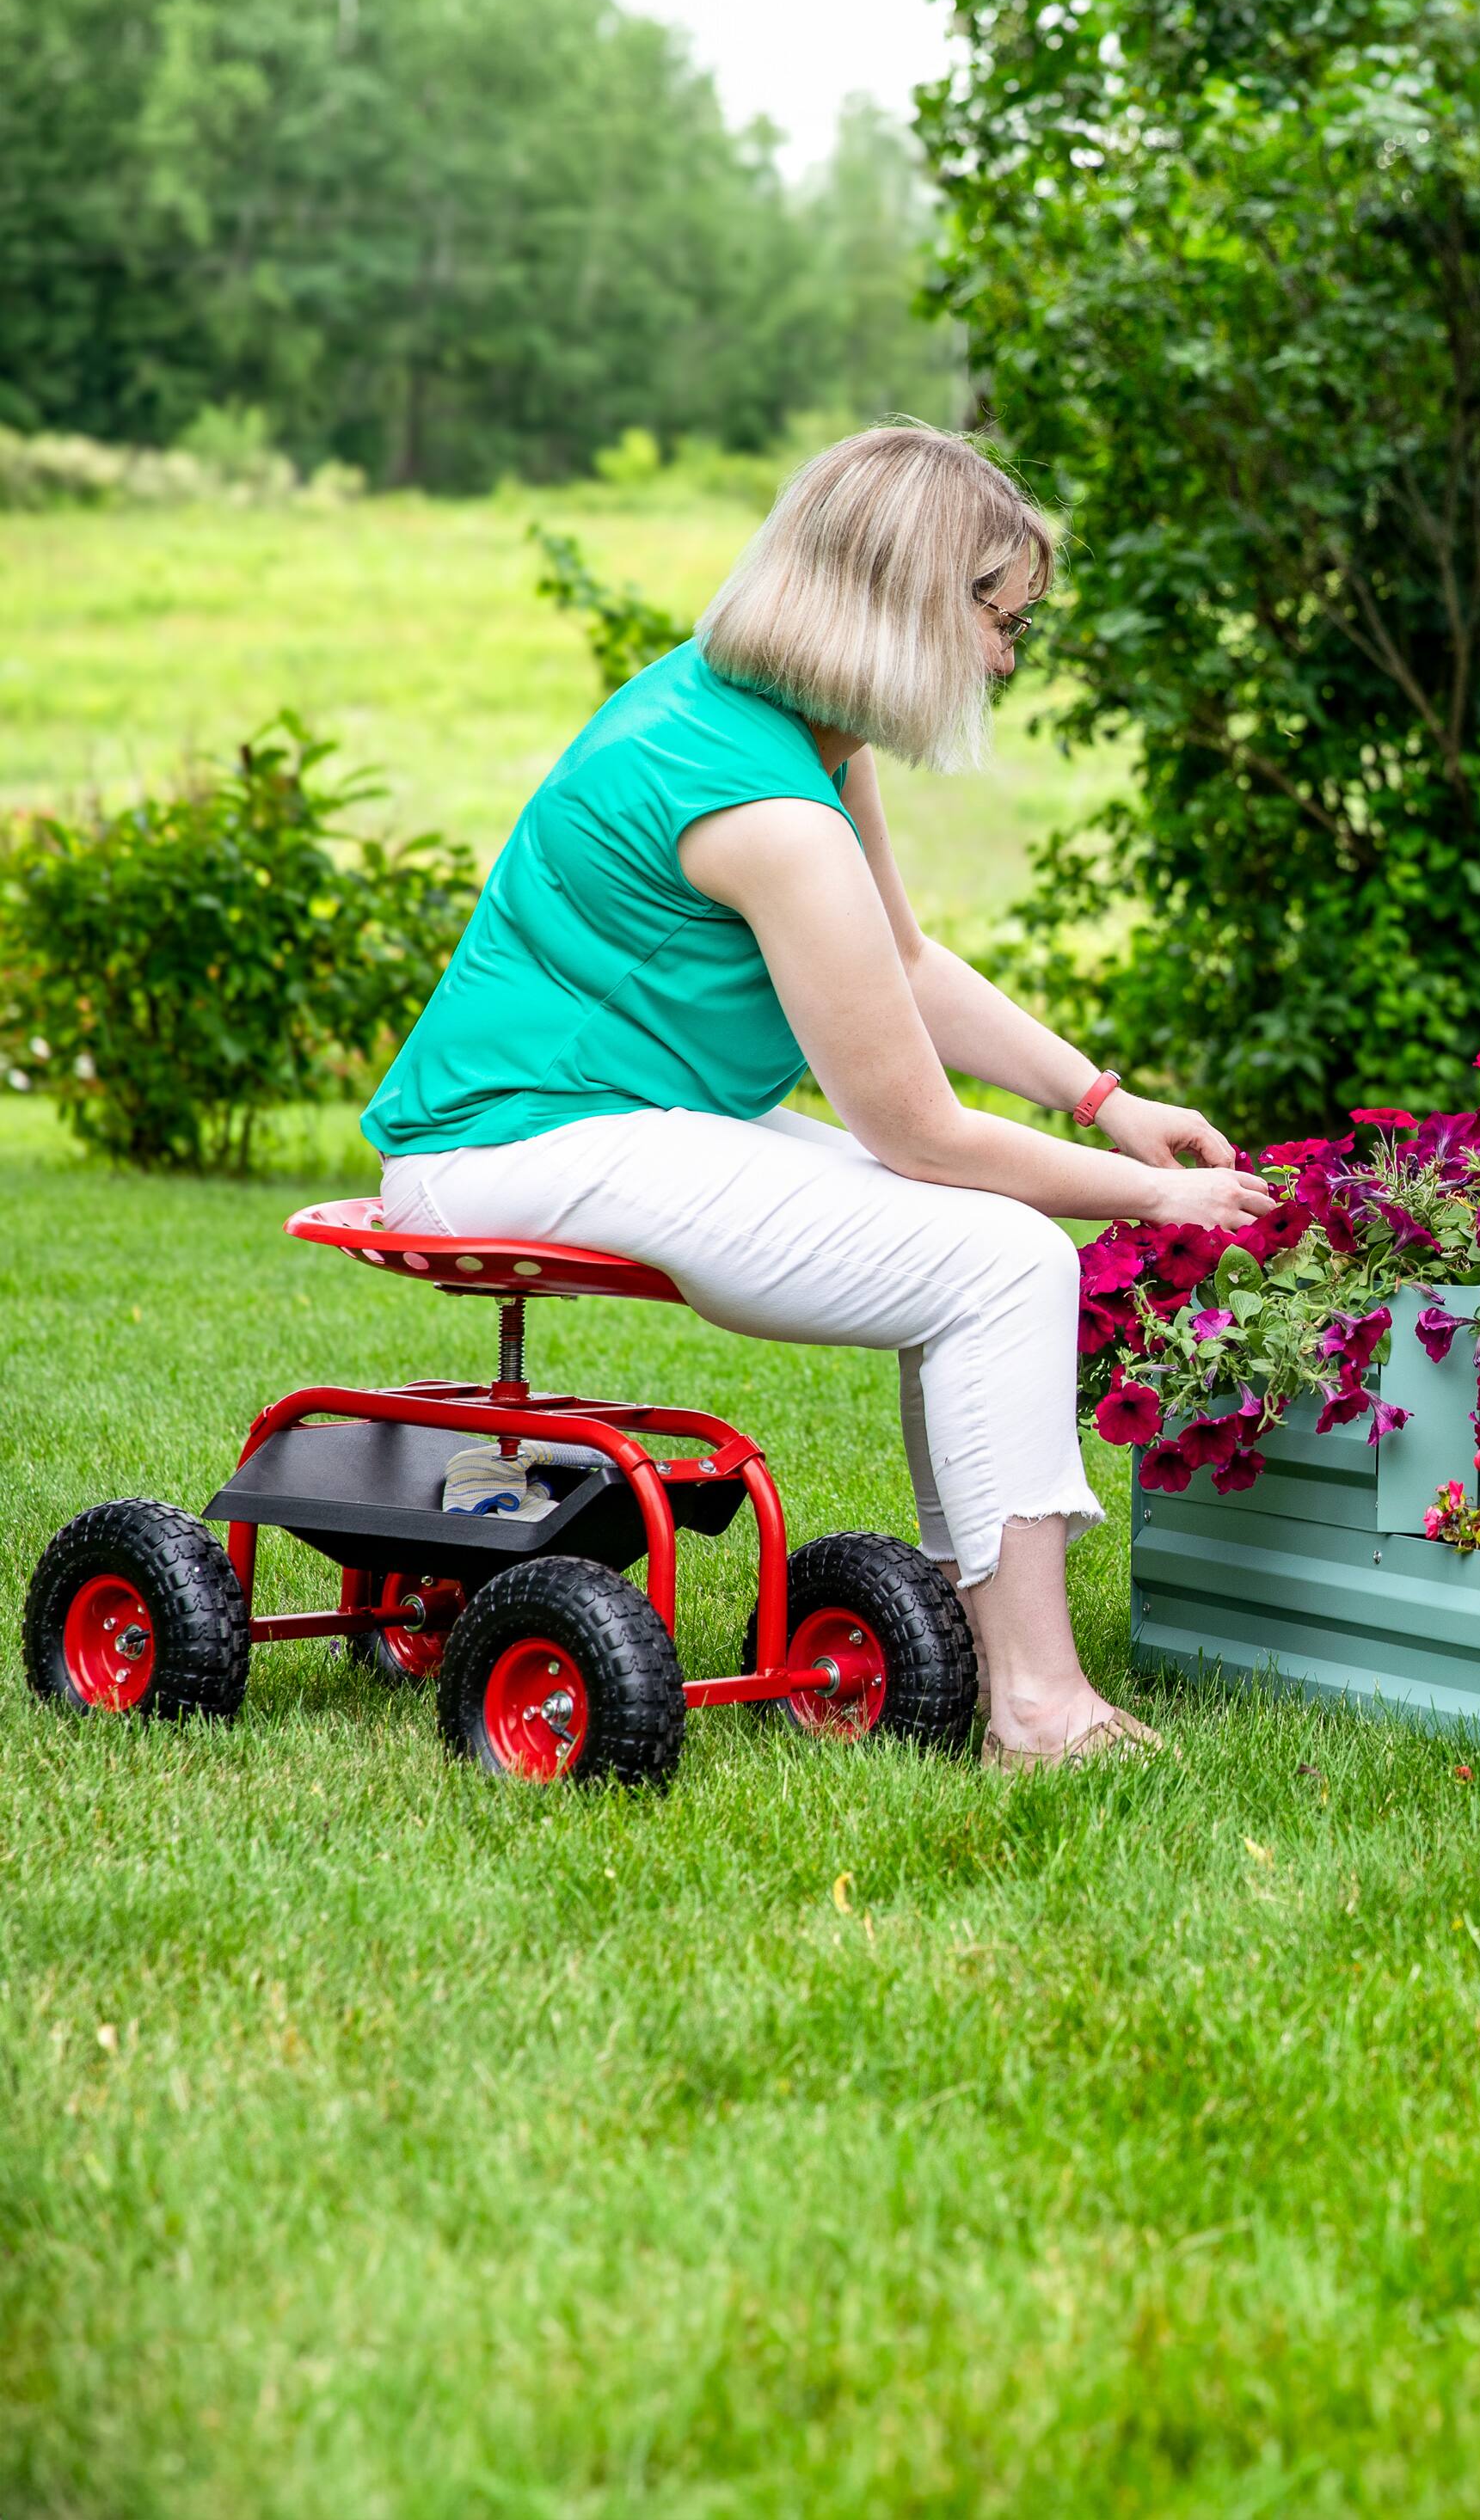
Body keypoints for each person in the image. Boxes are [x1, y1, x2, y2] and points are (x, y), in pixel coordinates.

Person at [362, 426, 1274, 1769]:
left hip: (618, 1119)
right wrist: (1155, 1196)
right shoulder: (767, 805)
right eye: (999, 620)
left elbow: (902, 961)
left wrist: (1103, 1101)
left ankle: (987, 1648)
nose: (1008, 658)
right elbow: (919, 1132)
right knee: (1007, 1258)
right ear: (909, 602)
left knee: (993, 1251)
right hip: (516, 1143)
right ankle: (1036, 1704)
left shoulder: (798, 736)